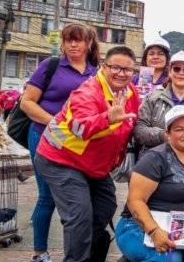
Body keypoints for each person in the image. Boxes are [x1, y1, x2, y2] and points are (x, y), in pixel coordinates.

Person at [34, 45, 140, 262]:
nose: (122, 73)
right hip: (59, 160)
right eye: (116, 67)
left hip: (93, 165)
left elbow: (130, 125)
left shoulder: (130, 93)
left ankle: (87, 250)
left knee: (106, 206)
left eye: (128, 70)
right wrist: (108, 118)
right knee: (78, 216)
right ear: (104, 66)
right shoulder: (87, 92)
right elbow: (80, 128)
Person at [19, 23, 100, 262]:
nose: (73, 44)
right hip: (44, 135)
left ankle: (76, 252)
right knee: (47, 196)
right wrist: (57, 122)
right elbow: (27, 103)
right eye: (68, 40)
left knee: (78, 199)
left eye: (78, 40)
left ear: (88, 43)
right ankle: (40, 253)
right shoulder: (50, 66)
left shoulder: (95, 72)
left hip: (78, 143)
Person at [116, 105, 184, 261]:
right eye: (179, 129)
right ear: (168, 134)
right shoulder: (155, 158)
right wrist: (154, 231)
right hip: (139, 226)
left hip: (182, 227)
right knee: (169, 258)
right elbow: (135, 201)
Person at [134, 51, 184, 157]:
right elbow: (139, 129)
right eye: (177, 69)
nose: (181, 73)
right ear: (170, 71)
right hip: (157, 159)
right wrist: (163, 135)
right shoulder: (152, 97)